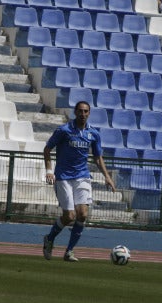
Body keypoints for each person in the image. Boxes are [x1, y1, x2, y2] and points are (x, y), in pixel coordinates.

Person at [43, 101, 116, 262]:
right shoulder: (64, 130)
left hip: (82, 176)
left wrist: (107, 176)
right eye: (80, 111)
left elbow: (97, 157)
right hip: (63, 177)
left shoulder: (94, 134)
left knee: (82, 214)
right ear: (75, 112)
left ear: (89, 114)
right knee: (69, 216)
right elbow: (47, 149)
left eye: (86, 111)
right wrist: (49, 171)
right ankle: (49, 238)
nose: (83, 114)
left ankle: (69, 251)